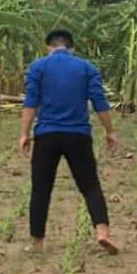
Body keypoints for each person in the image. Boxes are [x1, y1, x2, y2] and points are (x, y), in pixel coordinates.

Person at [21, 29, 118, 254]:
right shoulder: (86, 68)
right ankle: (102, 232)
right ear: (71, 48)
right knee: (90, 185)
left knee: (41, 188)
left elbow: (31, 102)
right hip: (78, 135)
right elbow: (99, 101)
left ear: (49, 47)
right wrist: (110, 131)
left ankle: (37, 242)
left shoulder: (38, 67)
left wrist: (24, 133)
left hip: (47, 135)